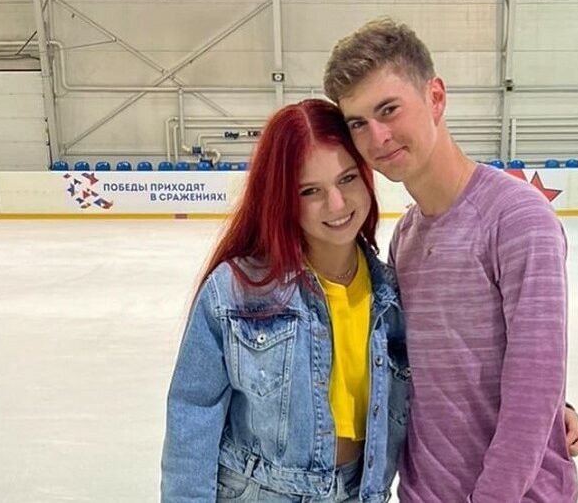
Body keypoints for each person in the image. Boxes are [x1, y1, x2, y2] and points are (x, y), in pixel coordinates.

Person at [324, 19, 578, 502]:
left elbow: (534, 382)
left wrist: (550, 408)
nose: (377, 137)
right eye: (358, 123)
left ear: (436, 98)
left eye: (389, 110)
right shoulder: (407, 236)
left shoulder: (517, 218)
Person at [161, 99, 410, 503]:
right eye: (310, 191)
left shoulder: (392, 297)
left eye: (347, 179)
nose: (337, 204)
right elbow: (194, 411)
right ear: (282, 199)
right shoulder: (235, 293)